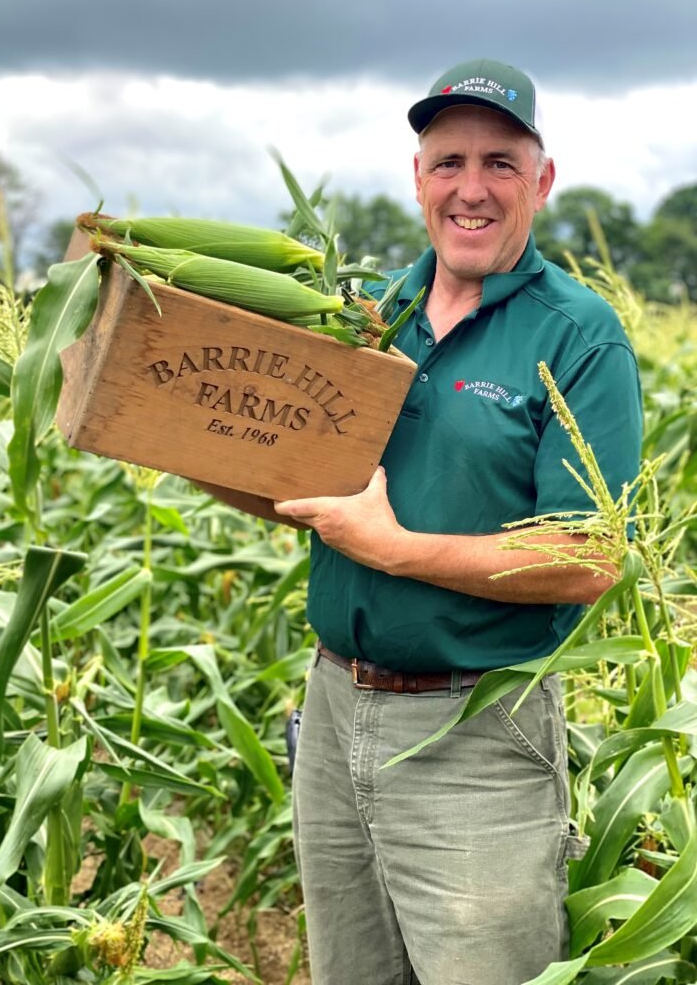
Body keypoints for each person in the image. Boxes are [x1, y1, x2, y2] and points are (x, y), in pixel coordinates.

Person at [202, 58, 643, 984]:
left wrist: (391, 549)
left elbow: (586, 558)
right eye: (447, 163)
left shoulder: (580, 336)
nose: (470, 190)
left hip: (476, 732)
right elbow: (303, 492)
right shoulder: (367, 313)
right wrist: (189, 444)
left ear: (542, 181)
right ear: (416, 179)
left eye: (499, 164)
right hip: (331, 713)